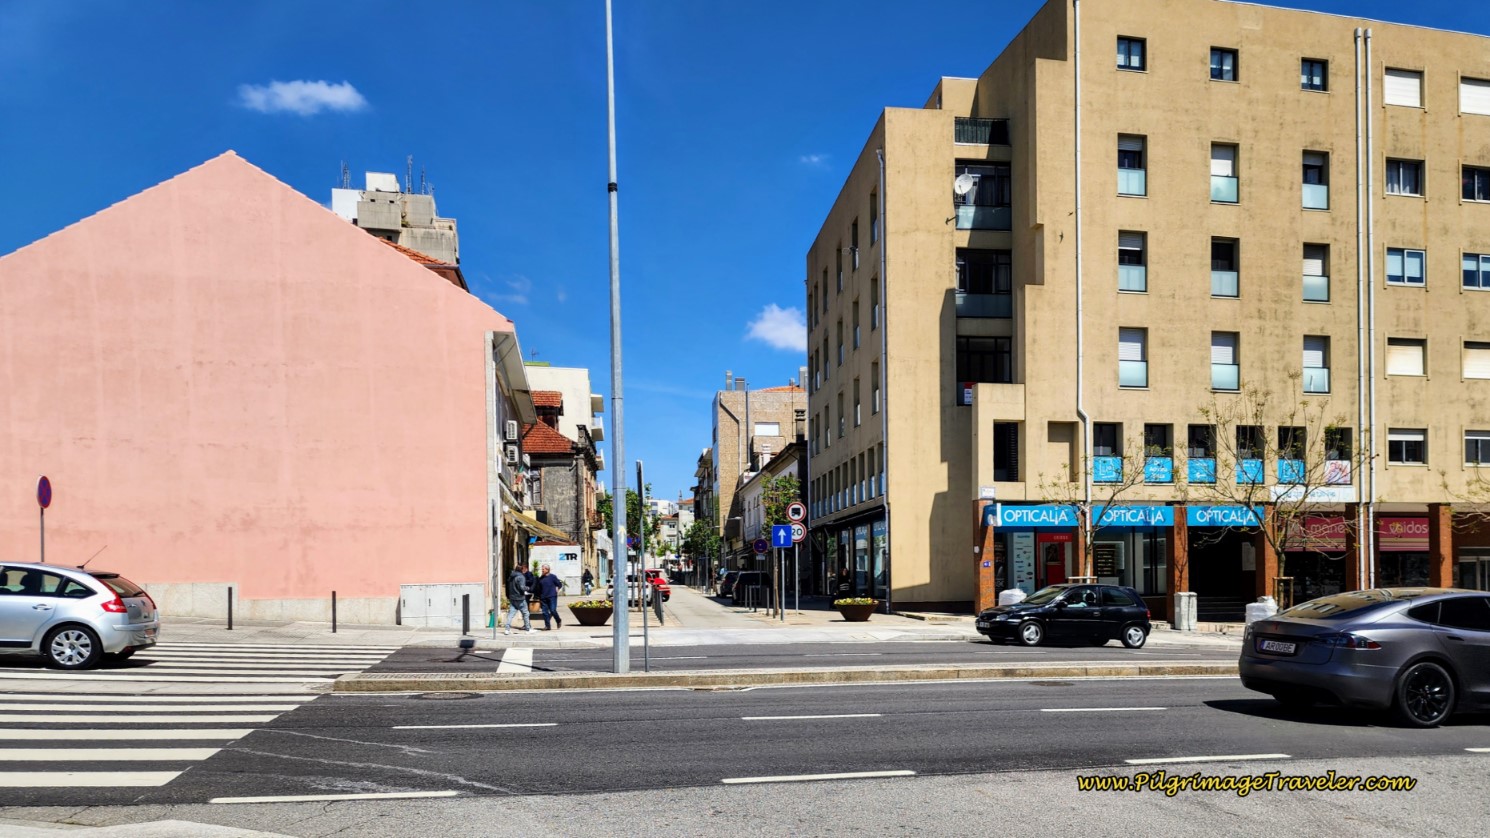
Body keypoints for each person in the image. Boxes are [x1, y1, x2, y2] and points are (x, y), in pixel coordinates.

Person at [504, 564, 533, 635]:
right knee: (525, 613)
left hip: (512, 598)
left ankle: (507, 630)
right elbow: (522, 587)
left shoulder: (511, 576)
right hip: (520, 598)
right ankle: (528, 629)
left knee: (511, 614)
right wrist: (528, 588)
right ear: (521, 569)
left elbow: (508, 587)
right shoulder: (521, 577)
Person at [537, 564, 565, 630]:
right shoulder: (541, 578)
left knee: (552, 610)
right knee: (544, 612)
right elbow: (539, 588)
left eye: (543, 569)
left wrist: (558, 587)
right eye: (542, 569)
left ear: (547, 570)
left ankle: (558, 620)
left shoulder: (553, 577)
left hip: (552, 596)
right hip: (543, 597)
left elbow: (559, 584)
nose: (542, 570)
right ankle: (547, 626)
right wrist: (539, 596)